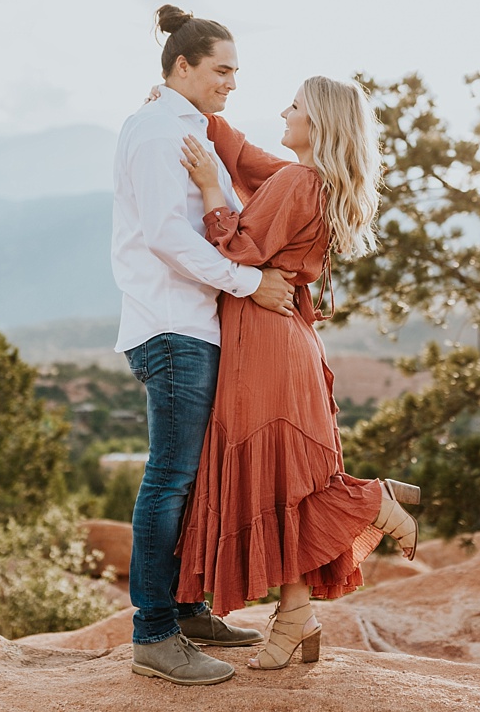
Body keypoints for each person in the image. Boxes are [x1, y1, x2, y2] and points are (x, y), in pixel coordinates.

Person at [174, 75, 421, 672]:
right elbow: (245, 155)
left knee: (284, 487)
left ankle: (375, 502)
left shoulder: (296, 180)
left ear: (318, 124)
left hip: (267, 350)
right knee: (287, 491)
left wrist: (209, 187)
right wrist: (191, 109)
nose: (284, 111)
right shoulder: (309, 178)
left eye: (296, 106)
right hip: (286, 344)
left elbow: (238, 251)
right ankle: (294, 623)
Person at [112, 4, 299, 687]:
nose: (232, 82)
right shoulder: (158, 130)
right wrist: (249, 282)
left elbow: (249, 167)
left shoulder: (183, 124)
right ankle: (154, 633)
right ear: (182, 66)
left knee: (193, 477)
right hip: (172, 326)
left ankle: (188, 609)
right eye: (222, 70)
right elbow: (166, 233)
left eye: (236, 72)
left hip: (195, 324)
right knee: (170, 477)